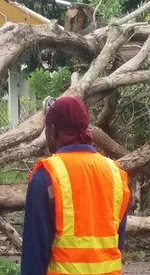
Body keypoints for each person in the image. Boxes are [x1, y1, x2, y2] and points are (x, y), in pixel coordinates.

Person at [21, 96, 130, 275]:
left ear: (53, 130)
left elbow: (34, 255)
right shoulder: (116, 174)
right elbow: (118, 243)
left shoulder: (46, 175)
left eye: (46, 129)